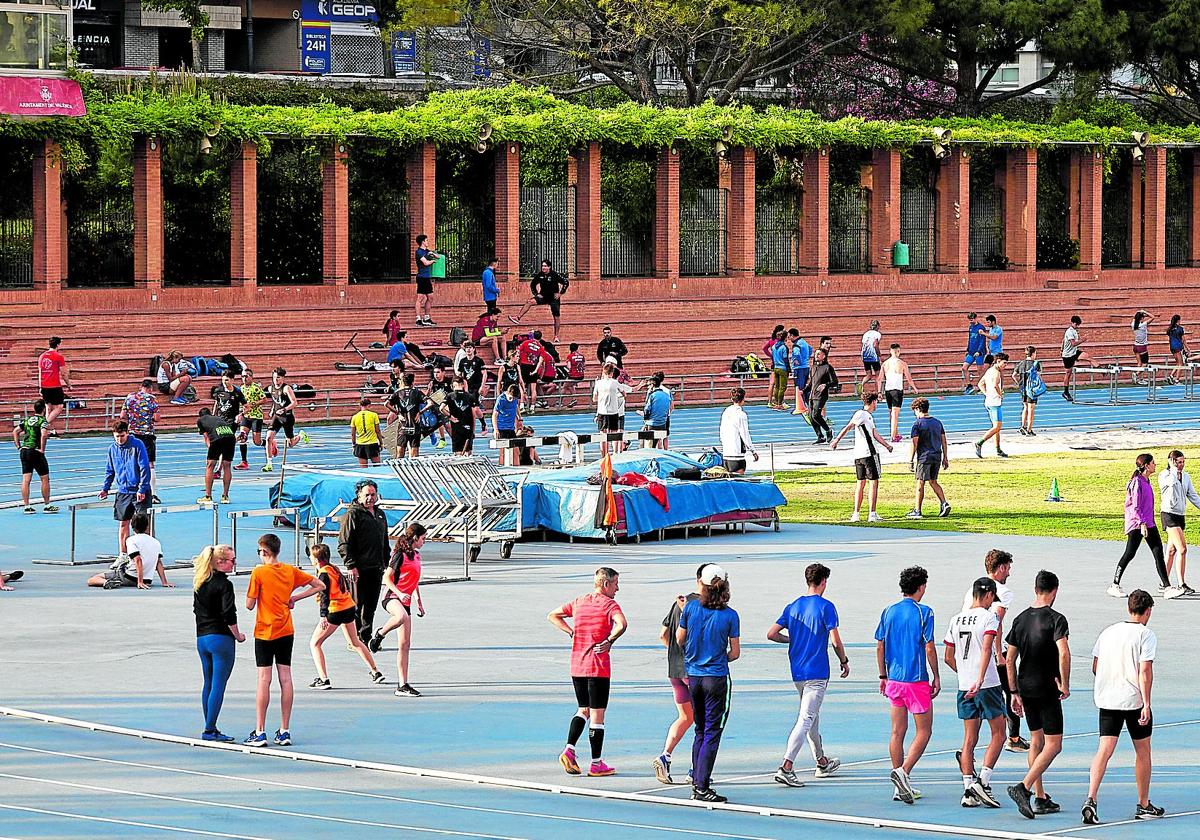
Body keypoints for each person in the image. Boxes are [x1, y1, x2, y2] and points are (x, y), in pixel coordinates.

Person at [1082, 589, 1164, 824]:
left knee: (1104, 750)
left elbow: (1096, 666)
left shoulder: (1108, 632)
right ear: (1147, 611)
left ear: (1129, 608)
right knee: (1143, 751)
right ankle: (1144, 803)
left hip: (1108, 699)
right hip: (1134, 700)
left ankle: (1091, 798)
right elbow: (1145, 671)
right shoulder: (1146, 635)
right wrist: (1146, 704)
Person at [769, 562, 848, 788]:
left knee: (812, 716)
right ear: (823, 582)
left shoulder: (792, 606)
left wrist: (790, 639)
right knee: (805, 719)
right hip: (817, 671)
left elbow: (771, 634)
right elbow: (835, 640)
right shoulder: (826, 607)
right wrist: (844, 660)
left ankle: (821, 761)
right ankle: (786, 766)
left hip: (798, 672)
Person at [244, 533, 325, 748]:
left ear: (264, 552)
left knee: (264, 678)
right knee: (286, 678)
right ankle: (284, 729)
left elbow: (249, 604)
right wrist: (294, 597)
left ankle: (260, 730)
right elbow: (319, 585)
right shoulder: (289, 570)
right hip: (285, 629)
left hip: (264, 631)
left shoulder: (258, 573)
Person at [548, 567, 628, 778]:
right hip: (598, 667)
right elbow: (622, 624)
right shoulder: (610, 604)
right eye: (616, 584)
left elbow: (553, 615)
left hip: (577, 666)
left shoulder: (579, 601)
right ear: (606, 584)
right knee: (597, 715)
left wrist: (571, 631)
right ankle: (596, 763)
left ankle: (569, 749)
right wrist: (609, 640)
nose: (618, 588)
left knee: (583, 709)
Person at [1005, 569, 1070, 819]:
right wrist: (1065, 683)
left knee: (1036, 741)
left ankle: (1040, 797)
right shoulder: (1056, 619)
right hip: (1047, 687)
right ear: (1055, 591)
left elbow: (1009, 659)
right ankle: (1024, 787)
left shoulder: (1020, 619)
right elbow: (1063, 652)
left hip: (1025, 686)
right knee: (1054, 745)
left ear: (1035, 589)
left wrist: (1013, 691)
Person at [875, 565, 938, 805]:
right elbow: (929, 646)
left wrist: (883, 675)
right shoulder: (925, 612)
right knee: (924, 731)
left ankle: (898, 785)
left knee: (896, 732)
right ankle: (903, 772)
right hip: (916, 680)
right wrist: (936, 676)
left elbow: (880, 645)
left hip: (894, 680)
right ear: (921, 587)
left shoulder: (888, 611)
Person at [678, 564, 740, 803]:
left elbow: (680, 638)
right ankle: (702, 785)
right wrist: (717, 656)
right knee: (713, 731)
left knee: (700, 729)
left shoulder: (691, 608)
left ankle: (697, 778)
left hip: (694, 677)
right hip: (717, 677)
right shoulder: (730, 615)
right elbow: (734, 653)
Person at [943, 577, 1006, 809]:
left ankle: (967, 789)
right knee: (999, 733)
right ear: (988, 595)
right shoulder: (990, 617)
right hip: (987, 684)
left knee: (969, 739)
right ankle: (984, 781)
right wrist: (980, 679)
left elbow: (948, 657)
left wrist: (966, 675)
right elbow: (988, 648)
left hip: (964, 685)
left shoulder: (955, 619)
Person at [961, 550, 1027, 754]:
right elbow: (997, 621)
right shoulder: (1003, 592)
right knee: (1011, 691)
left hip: (970, 649)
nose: (1009, 573)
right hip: (989, 648)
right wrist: (999, 654)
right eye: (1007, 568)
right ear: (1000, 568)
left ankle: (968, 749)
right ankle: (1013, 737)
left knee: (973, 698)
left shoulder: (974, 588)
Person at [307, 543, 385, 690]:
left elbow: (324, 597)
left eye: (311, 555)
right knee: (355, 641)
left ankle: (324, 679)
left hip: (335, 611)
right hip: (348, 608)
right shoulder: (333, 569)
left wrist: (323, 616)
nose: (310, 557)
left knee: (315, 643)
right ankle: (376, 671)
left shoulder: (323, 574)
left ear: (316, 559)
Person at [652, 573, 700, 786]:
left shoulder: (677, 603)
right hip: (693, 671)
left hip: (674, 671)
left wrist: (675, 653)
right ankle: (696, 768)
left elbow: (663, 635)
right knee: (704, 723)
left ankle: (665, 755)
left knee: (685, 718)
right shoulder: (701, 605)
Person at [192, 544, 245, 742]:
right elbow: (228, 614)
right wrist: (238, 635)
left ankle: (210, 726)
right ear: (220, 562)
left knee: (208, 682)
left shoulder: (200, 581)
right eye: (232, 560)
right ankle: (209, 729)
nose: (234, 563)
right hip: (220, 638)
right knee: (218, 684)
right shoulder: (224, 585)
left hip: (202, 638)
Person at [369, 524, 428, 697]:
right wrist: (400, 593)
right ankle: (380, 633)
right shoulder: (399, 555)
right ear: (415, 537)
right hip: (392, 597)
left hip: (407, 601)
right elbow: (386, 577)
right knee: (401, 616)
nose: (424, 541)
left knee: (405, 645)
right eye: (423, 538)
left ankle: (402, 685)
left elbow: (414, 580)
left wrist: (419, 602)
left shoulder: (416, 555)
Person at [1110, 454, 1180, 599]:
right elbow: (1135, 506)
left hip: (1149, 523)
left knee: (1158, 553)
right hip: (1137, 524)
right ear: (1146, 465)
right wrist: (1142, 523)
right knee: (1129, 553)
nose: (1155, 465)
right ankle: (1114, 585)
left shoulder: (1146, 481)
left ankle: (1167, 588)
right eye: (1153, 463)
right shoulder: (1137, 482)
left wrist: (1147, 522)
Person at [337, 479, 391, 644]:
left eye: (373, 494)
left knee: (371, 606)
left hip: (376, 567)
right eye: (367, 495)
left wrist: (387, 564)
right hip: (359, 568)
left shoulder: (380, 514)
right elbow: (344, 543)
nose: (370, 498)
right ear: (359, 496)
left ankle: (365, 638)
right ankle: (355, 640)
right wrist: (351, 565)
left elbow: (384, 541)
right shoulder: (352, 514)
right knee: (357, 605)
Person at [831, 392, 894, 523]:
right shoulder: (863, 414)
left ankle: (856, 514)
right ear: (873, 402)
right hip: (869, 453)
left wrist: (886, 445)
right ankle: (872, 513)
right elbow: (849, 427)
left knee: (861, 483)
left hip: (859, 454)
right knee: (873, 483)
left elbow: (873, 433)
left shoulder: (866, 416)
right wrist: (836, 440)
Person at [98, 420, 151, 559]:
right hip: (123, 491)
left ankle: (144, 554)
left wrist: (142, 488)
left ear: (127, 433)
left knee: (142, 525)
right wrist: (105, 488)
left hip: (139, 490)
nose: (119, 439)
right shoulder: (112, 449)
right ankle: (123, 555)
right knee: (123, 523)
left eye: (122, 436)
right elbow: (110, 470)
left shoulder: (137, 445)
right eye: (117, 436)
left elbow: (144, 467)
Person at [86, 512, 172, 590]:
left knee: (92, 579)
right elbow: (159, 562)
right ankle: (115, 580)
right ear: (147, 526)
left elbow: (138, 560)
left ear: (132, 527)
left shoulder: (131, 540)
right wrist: (164, 582)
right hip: (148, 580)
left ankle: (106, 582)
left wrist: (140, 581)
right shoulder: (156, 542)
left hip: (129, 577)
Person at [1158, 449, 1200, 594]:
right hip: (1168, 514)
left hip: (1180, 515)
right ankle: (1182, 584)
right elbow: (1170, 483)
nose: (1182, 465)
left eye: (1183, 462)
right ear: (1172, 461)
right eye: (1179, 462)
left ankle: (1164, 583)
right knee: (1182, 549)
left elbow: (1192, 495)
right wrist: (1173, 469)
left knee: (1171, 551)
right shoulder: (1165, 475)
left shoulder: (1186, 477)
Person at [907, 398, 950, 519]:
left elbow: (914, 443)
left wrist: (911, 459)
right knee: (933, 481)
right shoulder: (937, 422)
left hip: (924, 457)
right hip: (937, 455)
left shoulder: (917, 424)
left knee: (920, 482)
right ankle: (944, 503)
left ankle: (917, 510)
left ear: (917, 409)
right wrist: (945, 457)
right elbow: (944, 440)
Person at [120, 379, 161, 500]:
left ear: (141, 387)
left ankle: (131, 490)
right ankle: (153, 494)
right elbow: (157, 418)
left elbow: (122, 415)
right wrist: (149, 419)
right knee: (149, 464)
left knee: (132, 462)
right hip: (147, 434)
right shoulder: (151, 398)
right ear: (150, 388)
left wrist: (132, 420)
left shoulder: (130, 397)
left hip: (132, 433)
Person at [14, 399, 56, 514]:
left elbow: (15, 431)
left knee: (26, 479)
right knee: (44, 478)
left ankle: (27, 506)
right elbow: (43, 435)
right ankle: (47, 505)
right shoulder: (43, 421)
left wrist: (18, 446)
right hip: (36, 451)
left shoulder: (27, 420)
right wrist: (42, 449)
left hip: (24, 451)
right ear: (44, 409)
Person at [511, 260, 570, 341]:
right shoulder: (540, 275)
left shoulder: (554, 274)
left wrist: (560, 293)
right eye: (542, 266)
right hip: (543, 297)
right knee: (529, 302)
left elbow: (566, 282)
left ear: (549, 267)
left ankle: (556, 336)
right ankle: (518, 317)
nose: (543, 268)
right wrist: (536, 294)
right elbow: (533, 284)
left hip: (554, 298)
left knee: (556, 316)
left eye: (545, 266)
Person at [263, 368, 306, 472]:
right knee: (268, 438)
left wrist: (285, 409)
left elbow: (294, 402)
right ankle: (269, 463)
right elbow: (275, 401)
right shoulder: (270, 388)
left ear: (282, 378)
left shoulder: (286, 388)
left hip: (287, 418)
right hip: (276, 417)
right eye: (274, 377)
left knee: (290, 444)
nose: (276, 380)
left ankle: (300, 435)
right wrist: (272, 410)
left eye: (278, 377)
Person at [196, 408, 235, 505]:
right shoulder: (217, 418)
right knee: (227, 465)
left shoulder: (200, 420)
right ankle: (225, 496)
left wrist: (211, 451)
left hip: (217, 438)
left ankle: (208, 496)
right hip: (230, 437)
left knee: (210, 465)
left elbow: (206, 437)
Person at [974, 352, 1009, 459]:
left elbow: (980, 384)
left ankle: (998, 449)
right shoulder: (996, 373)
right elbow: (995, 385)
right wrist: (1000, 394)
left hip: (989, 401)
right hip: (995, 403)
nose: (1005, 365)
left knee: (996, 428)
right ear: (998, 361)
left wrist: (986, 394)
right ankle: (979, 442)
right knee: (997, 427)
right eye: (1004, 363)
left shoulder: (989, 371)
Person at [593, 362, 632, 456]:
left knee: (603, 435)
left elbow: (594, 399)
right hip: (613, 412)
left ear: (603, 372)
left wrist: (603, 397)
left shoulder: (598, 383)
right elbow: (624, 394)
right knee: (614, 434)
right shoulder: (615, 382)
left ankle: (604, 455)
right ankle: (615, 454)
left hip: (602, 412)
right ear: (611, 373)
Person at [387, 372, 430, 459]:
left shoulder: (398, 393)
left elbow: (386, 404)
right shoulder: (417, 392)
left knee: (400, 453)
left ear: (402, 381)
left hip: (403, 426)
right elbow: (430, 403)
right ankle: (413, 471)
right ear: (413, 382)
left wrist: (398, 413)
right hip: (415, 425)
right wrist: (420, 412)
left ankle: (400, 471)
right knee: (414, 454)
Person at [881, 344, 918, 443]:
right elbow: (908, 378)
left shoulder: (885, 364)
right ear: (898, 351)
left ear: (890, 351)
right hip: (897, 390)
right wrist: (914, 388)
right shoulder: (902, 363)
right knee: (895, 415)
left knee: (891, 414)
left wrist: (879, 391)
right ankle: (893, 436)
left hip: (888, 390)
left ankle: (895, 433)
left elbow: (879, 379)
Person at [719, 387, 758, 475]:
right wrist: (753, 450)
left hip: (726, 453)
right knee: (739, 483)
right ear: (743, 399)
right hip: (737, 455)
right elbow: (745, 434)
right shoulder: (741, 415)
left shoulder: (726, 412)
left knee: (730, 483)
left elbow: (721, 431)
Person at [236, 368, 267, 471]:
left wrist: (253, 404)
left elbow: (264, 399)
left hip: (256, 417)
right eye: (242, 376)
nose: (244, 378)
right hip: (246, 416)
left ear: (251, 377)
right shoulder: (241, 388)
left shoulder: (256, 388)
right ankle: (244, 462)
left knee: (256, 442)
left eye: (246, 376)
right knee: (242, 437)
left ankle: (268, 443)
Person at [807, 348, 839, 444]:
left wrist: (826, 385)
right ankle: (820, 436)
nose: (816, 355)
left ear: (824, 356)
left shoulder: (828, 368)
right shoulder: (813, 367)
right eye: (816, 354)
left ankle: (828, 430)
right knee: (811, 417)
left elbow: (835, 382)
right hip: (812, 395)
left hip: (821, 395)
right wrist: (804, 390)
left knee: (816, 415)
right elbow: (811, 383)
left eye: (819, 354)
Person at [38, 336, 71, 428]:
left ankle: (49, 430)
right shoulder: (58, 356)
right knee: (59, 407)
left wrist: (40, 386)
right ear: (58, 345)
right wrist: (69, 385)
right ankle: (44, 425)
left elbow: (40, 372)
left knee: (49, 408)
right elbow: (63, 373)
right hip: (54, 386)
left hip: (44, 385)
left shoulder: (42, 356)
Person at [443, 377, 481, 455]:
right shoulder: (470, 396)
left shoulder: (450, 396)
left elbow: (441, 408)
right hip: (468, 426)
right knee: (468, 452)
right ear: (463, 385)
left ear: (452, 386)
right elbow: (475, 413)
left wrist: (450, 416)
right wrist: (477, 427)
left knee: (457, 453)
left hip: (456, 427)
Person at [1011, 346, 1042, 437]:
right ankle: (1029, 430)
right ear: (1033, 354)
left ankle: (1023, 426)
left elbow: (1013, 375)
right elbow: (1038, 376)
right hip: (1031, 389)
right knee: (1031, 409)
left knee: (1025, 407)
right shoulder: (1036, 364)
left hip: (1023, 388)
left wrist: (1018, 383)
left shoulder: (1021, 363)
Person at [492, 383, 522, 467]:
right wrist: (496, 429)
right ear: (508, 393)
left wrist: (520, 418)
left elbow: (516, 407)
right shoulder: (501, 399)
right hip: (502, 428)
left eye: (514, 398)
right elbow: (494, 415)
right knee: (503, 451)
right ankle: (502, 467)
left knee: (516, 450)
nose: (512, 400)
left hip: (511, 428)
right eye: (510, 398)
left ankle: (517, 468)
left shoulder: (515, 399)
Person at [1061, 315, 1089, 401]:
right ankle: (1065, 392)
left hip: (1073, 353)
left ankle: (1100, 369)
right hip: (1067, 355)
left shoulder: (1075, 331)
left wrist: (1061, 348)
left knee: (1088, 356)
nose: (1078, 327)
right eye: (1077, 325)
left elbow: (1063, 341)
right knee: (1068, 373)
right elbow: (1073, 343)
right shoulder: (1069, 331)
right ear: (1073, 323)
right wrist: (1082, 340)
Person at [414, 233, 440, 327]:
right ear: (423, 242)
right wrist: (432, 261)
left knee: (430, 297)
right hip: (421, 277)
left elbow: (438, 257)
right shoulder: (419, 252)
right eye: (427, 240)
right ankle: (418, 319)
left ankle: (427, 317)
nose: (428, 242)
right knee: (420, 298)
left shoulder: (427, 251)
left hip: (427, 277)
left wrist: (432, 254)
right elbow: (425, 263)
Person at [643, 371, 673, 450]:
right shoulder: (667, 394)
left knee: (649, 446)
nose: (647, 387)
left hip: (652, 423)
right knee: (662, 438)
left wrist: (645, 419)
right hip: (663, 422)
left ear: (652, 385)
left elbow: (647, 409)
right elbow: (670, 407)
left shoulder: (652, 395)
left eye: (649, 385)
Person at [350, 397, 383, 466]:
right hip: (372, 443)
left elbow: (353, 434)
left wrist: (353, 444)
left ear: (360, 406)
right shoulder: (374, 415)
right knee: (377, 466)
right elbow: (377, 431)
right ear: (369, 405)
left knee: (363, 468)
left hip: (360, 444)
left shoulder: (354, 417)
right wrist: (381, 442)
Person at [789, 328, 812, 419]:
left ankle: (804, 407)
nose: (789, 339)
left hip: (799, 368)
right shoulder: (804, 342)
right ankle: (807, 405)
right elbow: (811, 349)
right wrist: (806, 358)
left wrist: (799, 360)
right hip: (806, 367)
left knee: (800, 388)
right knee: (804, 387)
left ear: (792, 335)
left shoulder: (796, 345)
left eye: (789, 336)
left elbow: (797, 353)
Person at [962, 313, 987, 395]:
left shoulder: (981, 328)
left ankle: (982, 387)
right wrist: (968, 349)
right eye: (969, 320)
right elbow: (970, 339)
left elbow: (982, 341)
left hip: (980, 352)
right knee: (964, 368)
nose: (971, 321)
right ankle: (969, 386)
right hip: (971, 352)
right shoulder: (970, 327)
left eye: (972, 319)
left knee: (980, 371)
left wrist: (979, 351)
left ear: (976, 318)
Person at [1131, 310, 1155, 384]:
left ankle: (1140, 379)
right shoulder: (1143, 325)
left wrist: (1141, 314)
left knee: (1139, 363)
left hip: (1135, 346)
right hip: (1142, 347)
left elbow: (1135, 318)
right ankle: (1137, 374)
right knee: (1145, 364)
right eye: (1143, 317)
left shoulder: (1133, 324)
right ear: (1141, 318)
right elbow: (1153, 317)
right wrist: (1145, 312)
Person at [769, 331, 791, 410]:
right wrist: (789, 369)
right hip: (782, 368)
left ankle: (776, 402)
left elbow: (773, 357)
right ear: (784, 338)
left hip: (776, 368)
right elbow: (785, 359)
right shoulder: (783, 347)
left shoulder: (774, 346)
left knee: (777, 386)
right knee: (782, 387)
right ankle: (779, 404)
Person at [1165, 314, 1188, 385]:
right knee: (1181, 364)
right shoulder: (1180, 329)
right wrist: (1188, 349)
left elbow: (1170, 339)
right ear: (1178, 320)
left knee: (1178, 363)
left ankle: (1171, 375)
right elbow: (1183, 340)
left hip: (1172, 348)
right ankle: (1177, 380)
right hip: (1178, 347)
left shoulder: (1170, 329)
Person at [861, 319, 883, 393]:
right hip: (873, 356)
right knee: (878, 376)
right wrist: (879, 356)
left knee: (869, 375)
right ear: (877, 326)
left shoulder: (866, 334)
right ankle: (878, 393)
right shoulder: (877, 334)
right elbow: (875, 345)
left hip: (864, 356)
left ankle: (861, 384)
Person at [564, 342, 586, 406]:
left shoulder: (570, 356)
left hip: (573, 375)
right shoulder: (582, 356)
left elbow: (569, 367)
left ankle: (559, 402)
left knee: (564, 386)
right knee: (571, 385)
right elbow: (584, 366)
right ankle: (574, 399)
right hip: (581, 375)